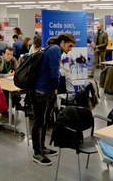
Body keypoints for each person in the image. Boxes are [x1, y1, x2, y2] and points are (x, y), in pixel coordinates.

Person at [31, 33, 76, 166]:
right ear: (63, 42)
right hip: (41, 92)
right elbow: (54, 72)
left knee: (44, 121)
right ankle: (37, 152)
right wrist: (56, 88)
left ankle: (42, 147)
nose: (71, 48)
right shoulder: (56, 49)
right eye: (70, 45)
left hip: (45, 91)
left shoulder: (52, 49)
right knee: (39, 122)